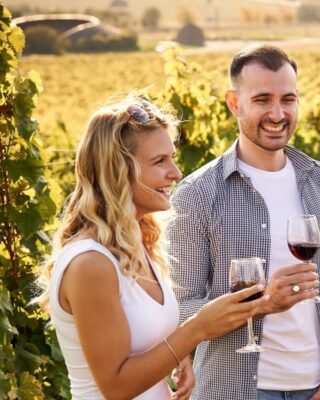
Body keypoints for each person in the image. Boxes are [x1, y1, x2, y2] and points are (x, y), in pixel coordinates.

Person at [33, 95, 267, 400]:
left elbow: (138, 338)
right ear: (118, 171)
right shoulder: (91, 264)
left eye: (172, 157)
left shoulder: (139, 245)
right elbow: (116, 387)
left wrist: (175, 354)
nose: (176, 173)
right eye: (160, 162)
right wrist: (196, 330)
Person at [167, 44, 320, 400]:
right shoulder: (196, 195)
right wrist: (262, 303)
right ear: (234, 103)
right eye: (263, 99)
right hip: (238, 389)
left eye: (288, 99)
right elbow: (182, 309)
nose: (278, 113)